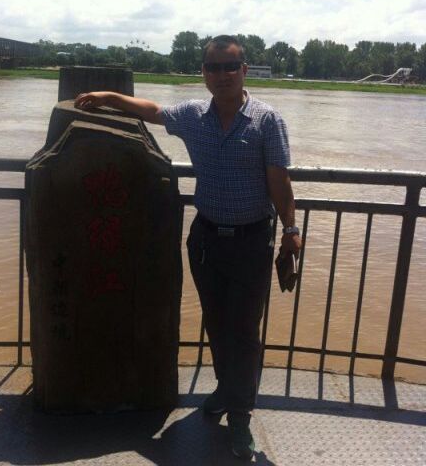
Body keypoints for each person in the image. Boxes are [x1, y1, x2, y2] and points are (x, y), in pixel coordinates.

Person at [74, 34, 301, 460]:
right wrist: (109, 97)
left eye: (230, 66)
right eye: (213, 67)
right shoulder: (194, 116)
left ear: (244, 70)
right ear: (204, 73)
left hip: (252, 241)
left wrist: (291, 230)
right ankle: (226, 391)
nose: (222, 74)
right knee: (216, 323)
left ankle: (240, 416)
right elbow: (154, 111)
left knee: (243, 331)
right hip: (206, 240)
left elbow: (279, 181)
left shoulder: (268, 120)